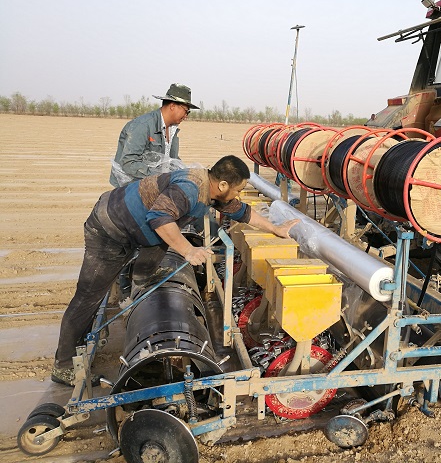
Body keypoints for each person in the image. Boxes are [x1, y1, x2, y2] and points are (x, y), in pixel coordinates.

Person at [51, 155, 299, 386]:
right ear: (223, 185)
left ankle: (142, 276)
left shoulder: (210, 189)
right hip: (110, 228)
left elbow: (243, 212)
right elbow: (159, 218)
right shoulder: (190, 189)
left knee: (163, 239)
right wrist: (188, 250)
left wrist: (275, 228)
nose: (238, 194)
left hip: (132, 224)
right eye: (237, 189)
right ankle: (63, 365)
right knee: (88, 297)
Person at [109, 83, 199, 188]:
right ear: (172, 106)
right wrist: (161, 178)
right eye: (186, 111)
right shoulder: (142, 126)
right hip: (130, 189)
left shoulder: (172, 130)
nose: (186, 116)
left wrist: (184, 173)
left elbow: (170, 160)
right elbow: (129, 162)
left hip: (155, 185)